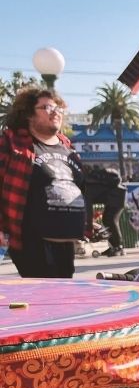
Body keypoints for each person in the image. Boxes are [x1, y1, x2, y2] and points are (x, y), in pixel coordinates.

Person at [0, 87, 91, 277]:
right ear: (28, 114)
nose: (56, 112)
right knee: (47, 296)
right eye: (48, 107)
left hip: (65, 239)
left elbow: (76, 186)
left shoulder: (66, 145)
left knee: (64, 296)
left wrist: (88, 222)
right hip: (31, 241)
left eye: (59, 108)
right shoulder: (12, 142)